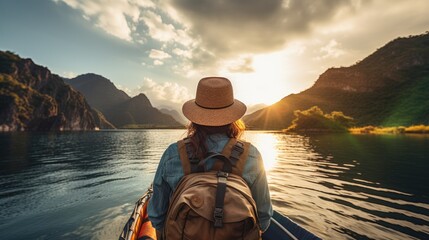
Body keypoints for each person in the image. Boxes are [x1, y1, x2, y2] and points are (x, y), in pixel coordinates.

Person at [147, 76, 273, 239]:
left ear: (194, 117)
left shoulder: (173, 153)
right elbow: (263, 218)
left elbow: (157, 216)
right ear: (233, 118)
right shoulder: (252, 155)